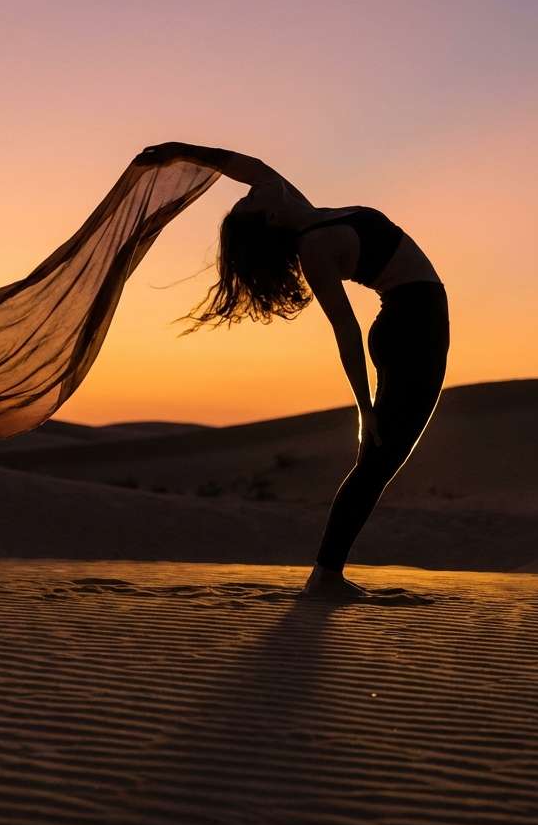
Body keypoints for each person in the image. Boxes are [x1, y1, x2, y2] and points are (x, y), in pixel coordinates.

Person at [139, 142, 450, 600]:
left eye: (246, 196)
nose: (249, 193)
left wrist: (179, 149)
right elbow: (345, 329)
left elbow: (250, 167)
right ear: (266, 219)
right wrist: (364, 409)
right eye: (248, 201)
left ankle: (327, 574)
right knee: (378, 462)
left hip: (415, 326)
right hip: (408, 333)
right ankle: (326, 577)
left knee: (379, 464)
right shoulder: (314, 247)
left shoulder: (304, 211)